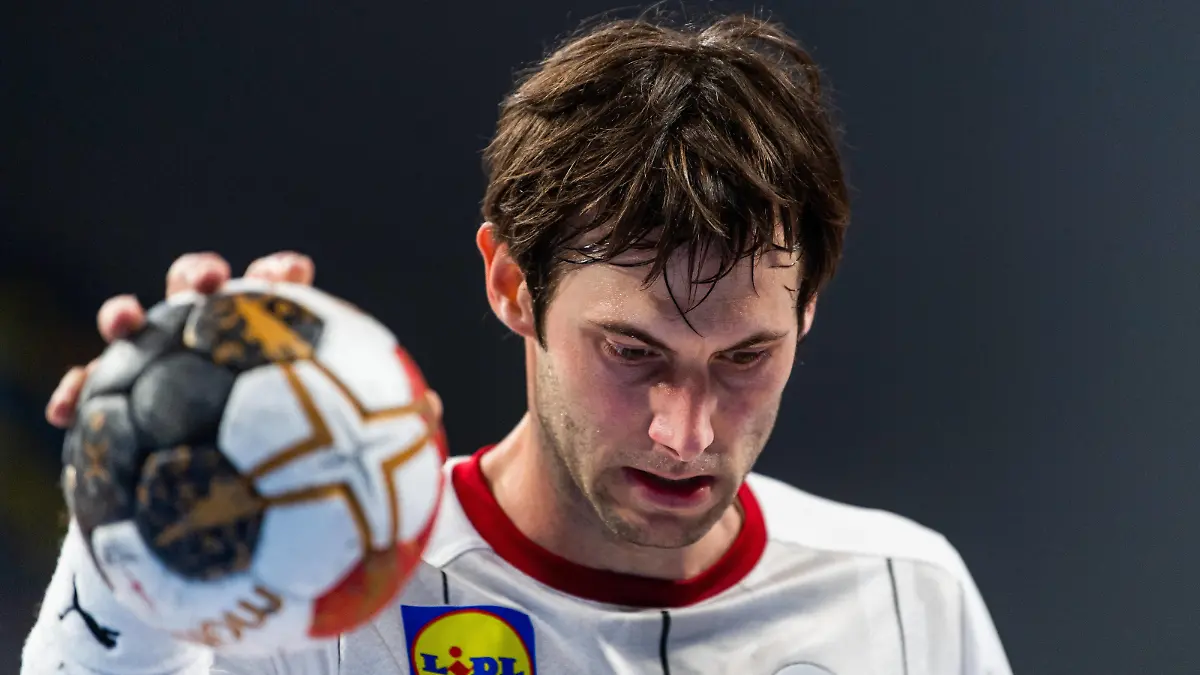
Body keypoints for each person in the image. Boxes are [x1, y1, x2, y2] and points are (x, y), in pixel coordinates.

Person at [23, 13, 1012, 675]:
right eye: (633, 351)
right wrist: (128, 539)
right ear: (510, 284)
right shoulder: (320, 596)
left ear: (808, 311)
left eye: (744, 359)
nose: (685, 433)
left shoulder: (905, 592)